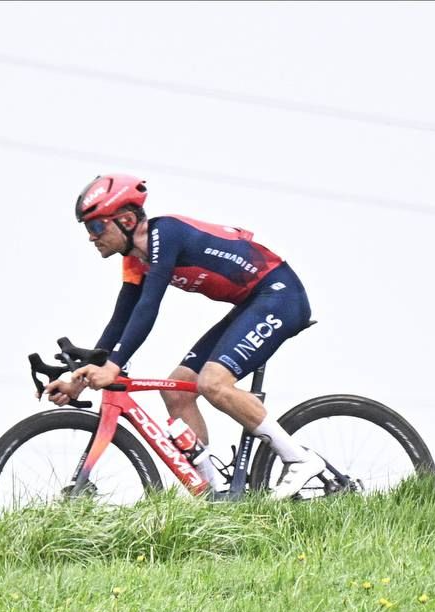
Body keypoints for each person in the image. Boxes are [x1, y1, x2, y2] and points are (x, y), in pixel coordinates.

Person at [44, 175, 329, 497]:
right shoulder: (134, 259)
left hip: (279, 295)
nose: (91, 237)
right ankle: (217, 494)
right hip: (252, 302)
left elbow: (148, 307)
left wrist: (113, 366)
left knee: (213, 383)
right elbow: (122, 317)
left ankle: (299, 459)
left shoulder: (165, 235)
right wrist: (80, 379)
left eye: (96, 227)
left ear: (125, 220)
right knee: (177, 391)